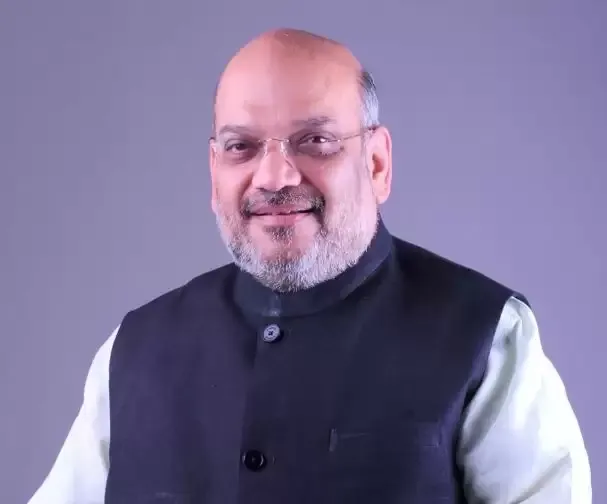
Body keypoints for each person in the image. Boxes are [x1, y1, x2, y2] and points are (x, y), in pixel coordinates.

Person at [28, 28, 591, 503]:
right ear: (214, 171)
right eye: (241, 147)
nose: (275, 177)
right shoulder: (132, 350)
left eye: (315, 141)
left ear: (376, 164)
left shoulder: (488, 338)